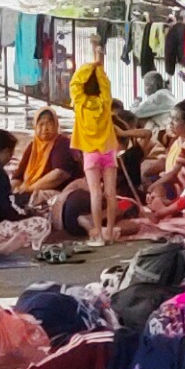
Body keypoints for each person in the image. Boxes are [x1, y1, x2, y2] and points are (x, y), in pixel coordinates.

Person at [0, 129, 51, 254]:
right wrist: (30, 214)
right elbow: (7, 210)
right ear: (6, 151)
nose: (10, 158)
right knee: (42, 224)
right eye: (11, 153)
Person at [70, 61, 120, 244]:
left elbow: (74, 83)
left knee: (95, 194)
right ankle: (110, 233)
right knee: (111, 192)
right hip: (108, 150)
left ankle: (98, 234)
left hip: (90, 153)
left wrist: (89, 66)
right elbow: (105, 84)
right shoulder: (105, 102)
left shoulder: (79, 103)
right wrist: (98, 67)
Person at [12, 108, 80, 206]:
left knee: (21, 201)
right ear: (35, 126)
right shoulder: (33, 146)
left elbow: (59, 175)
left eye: (49, 123)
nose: (45, 128)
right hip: (31, 190)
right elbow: (18, 176)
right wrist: (7, 192)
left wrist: (28, 189)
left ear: (56, 125)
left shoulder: (62, 143)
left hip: (58, 192)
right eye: (41, 124)